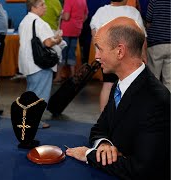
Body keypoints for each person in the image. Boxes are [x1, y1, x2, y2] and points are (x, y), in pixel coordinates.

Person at [65, 17, 170, 180]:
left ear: (120, 51)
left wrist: (89, 154)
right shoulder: (119, 85)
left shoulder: (157, 100)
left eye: (99, 49)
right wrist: (104, 145)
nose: (97, 57)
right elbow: (100, 128)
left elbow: (143, 170)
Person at [90, 0, 147, 112]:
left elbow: (94, 36)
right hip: (129, 57)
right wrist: (144, 56)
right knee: (130, 86)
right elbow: (142, 38)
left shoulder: (101, 11)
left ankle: (103, 118)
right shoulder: (133, 12)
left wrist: (99, 53)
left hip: (108, 56)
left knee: (108, 85)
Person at [18, 0, 63, 128]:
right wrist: (58, 39)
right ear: (33, 7)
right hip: (40, 64)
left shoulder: (24, 21)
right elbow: (48, 43)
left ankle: (26, 119)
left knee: (31, 92)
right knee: (40, 95)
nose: (45, 7)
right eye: (42, 5)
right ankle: (34, 121)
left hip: (28, 63)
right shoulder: (40, 23)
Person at [53, 0, 88, 82]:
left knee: (62, 52)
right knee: (72, 52)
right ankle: (73, 75)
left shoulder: (69, 0)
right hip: (77, 29)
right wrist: (78, 21)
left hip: (67, 29)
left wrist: (61, 14)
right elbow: (85, 15)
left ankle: (58, 76)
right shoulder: (83, 1)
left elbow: (66, 17)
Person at [146, 0, 171, 92]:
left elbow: (148, 20)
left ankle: (154, 104)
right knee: (169, 80)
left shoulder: (154, 1)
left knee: (154, 78)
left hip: (156, 44)